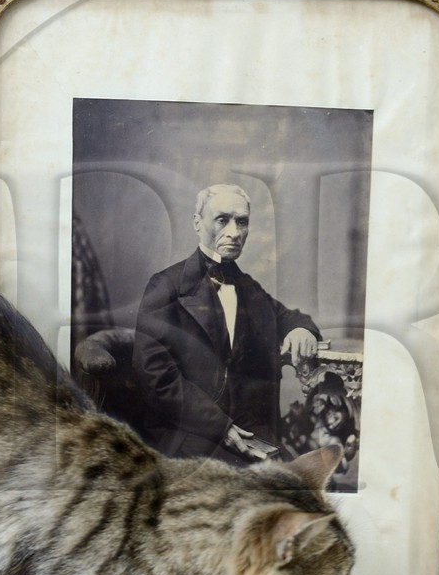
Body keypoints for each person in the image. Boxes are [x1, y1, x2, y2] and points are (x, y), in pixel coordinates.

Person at [132, 183, 320, 462]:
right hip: (186, 431)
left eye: (242, 222)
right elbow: (157, 378)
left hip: (246, 427)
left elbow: (286, 316)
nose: (234, 232)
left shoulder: (246, 286)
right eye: (223, 220)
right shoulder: (165, 286)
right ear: (198, 223)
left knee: (290, 477)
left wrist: (301, 329)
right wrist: (222, 427)